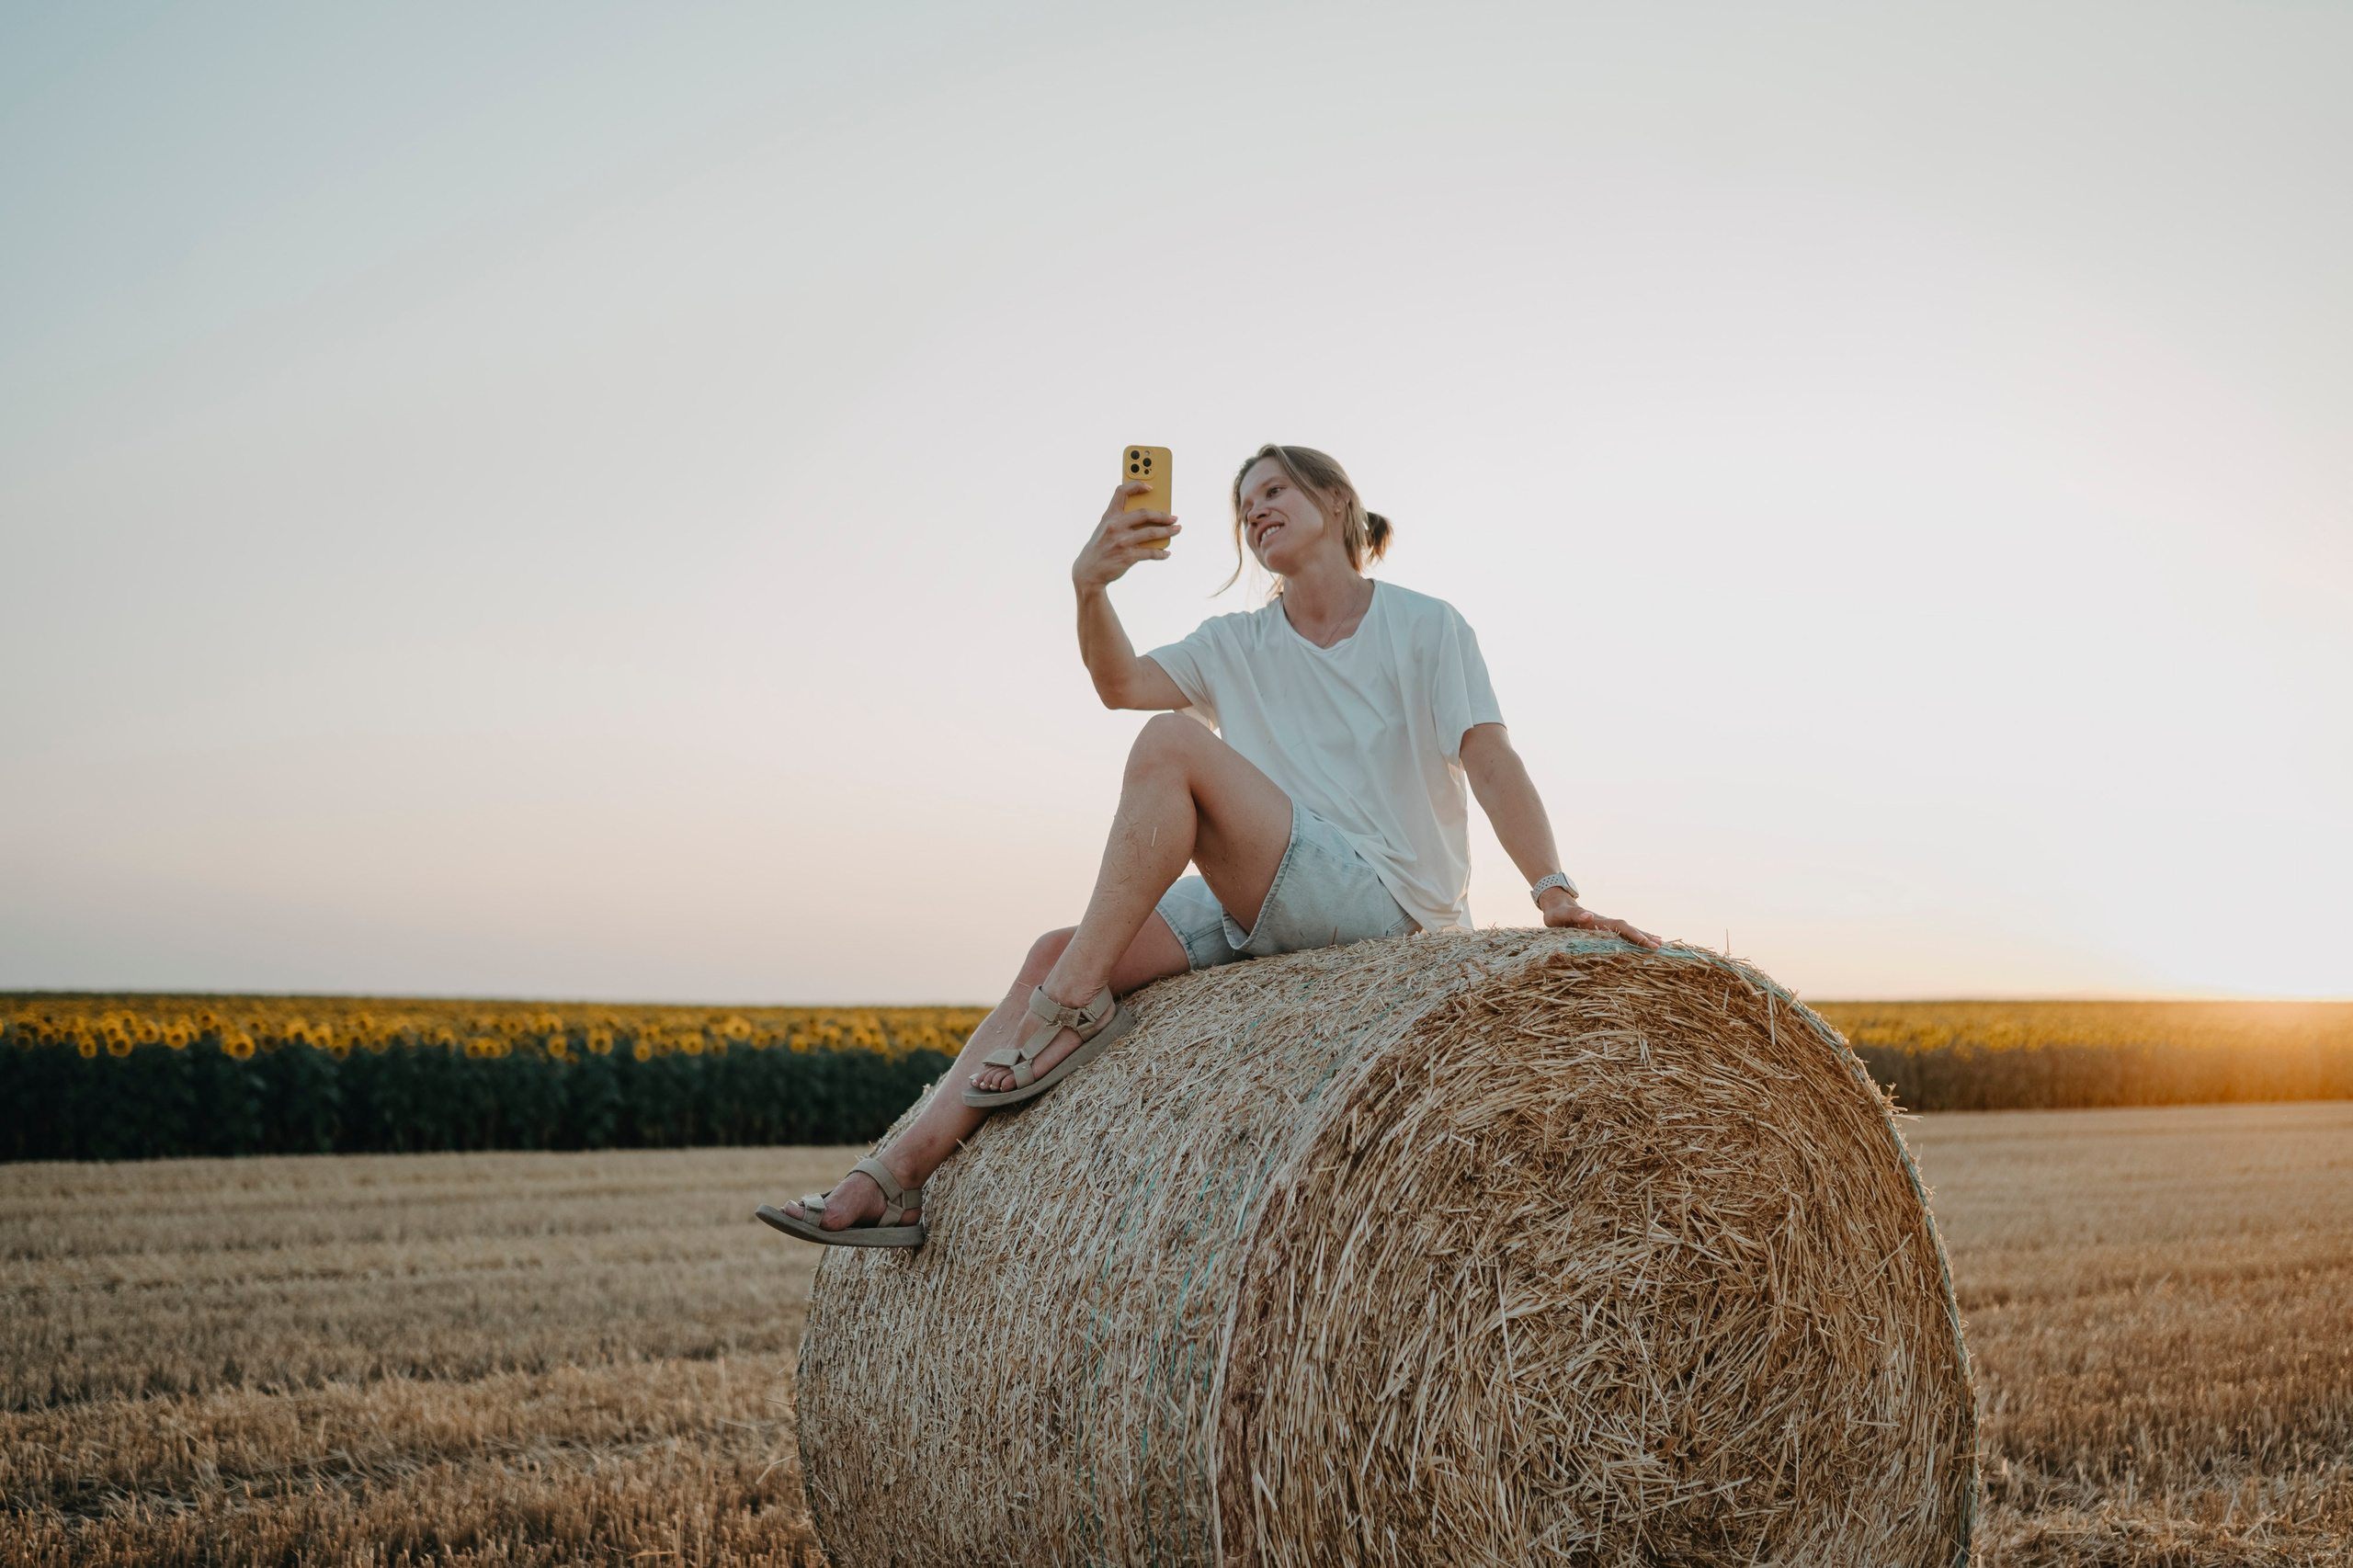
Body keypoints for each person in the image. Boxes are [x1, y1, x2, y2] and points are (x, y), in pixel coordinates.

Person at [757, 444, 1659, 1247]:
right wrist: (1090, 586)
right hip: (1265, 891)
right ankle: (892, 1178)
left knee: (1171, 750)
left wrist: (1550, 888)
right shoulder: (1237, 641)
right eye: (1243, 505)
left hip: (1385, 904)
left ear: (1337, 501)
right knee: (1050, 951)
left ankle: (1074, 1003)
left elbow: (1489, 758)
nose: (1255, 510)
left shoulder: (1425, 626)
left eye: (1274, 491)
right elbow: (1119, 683)